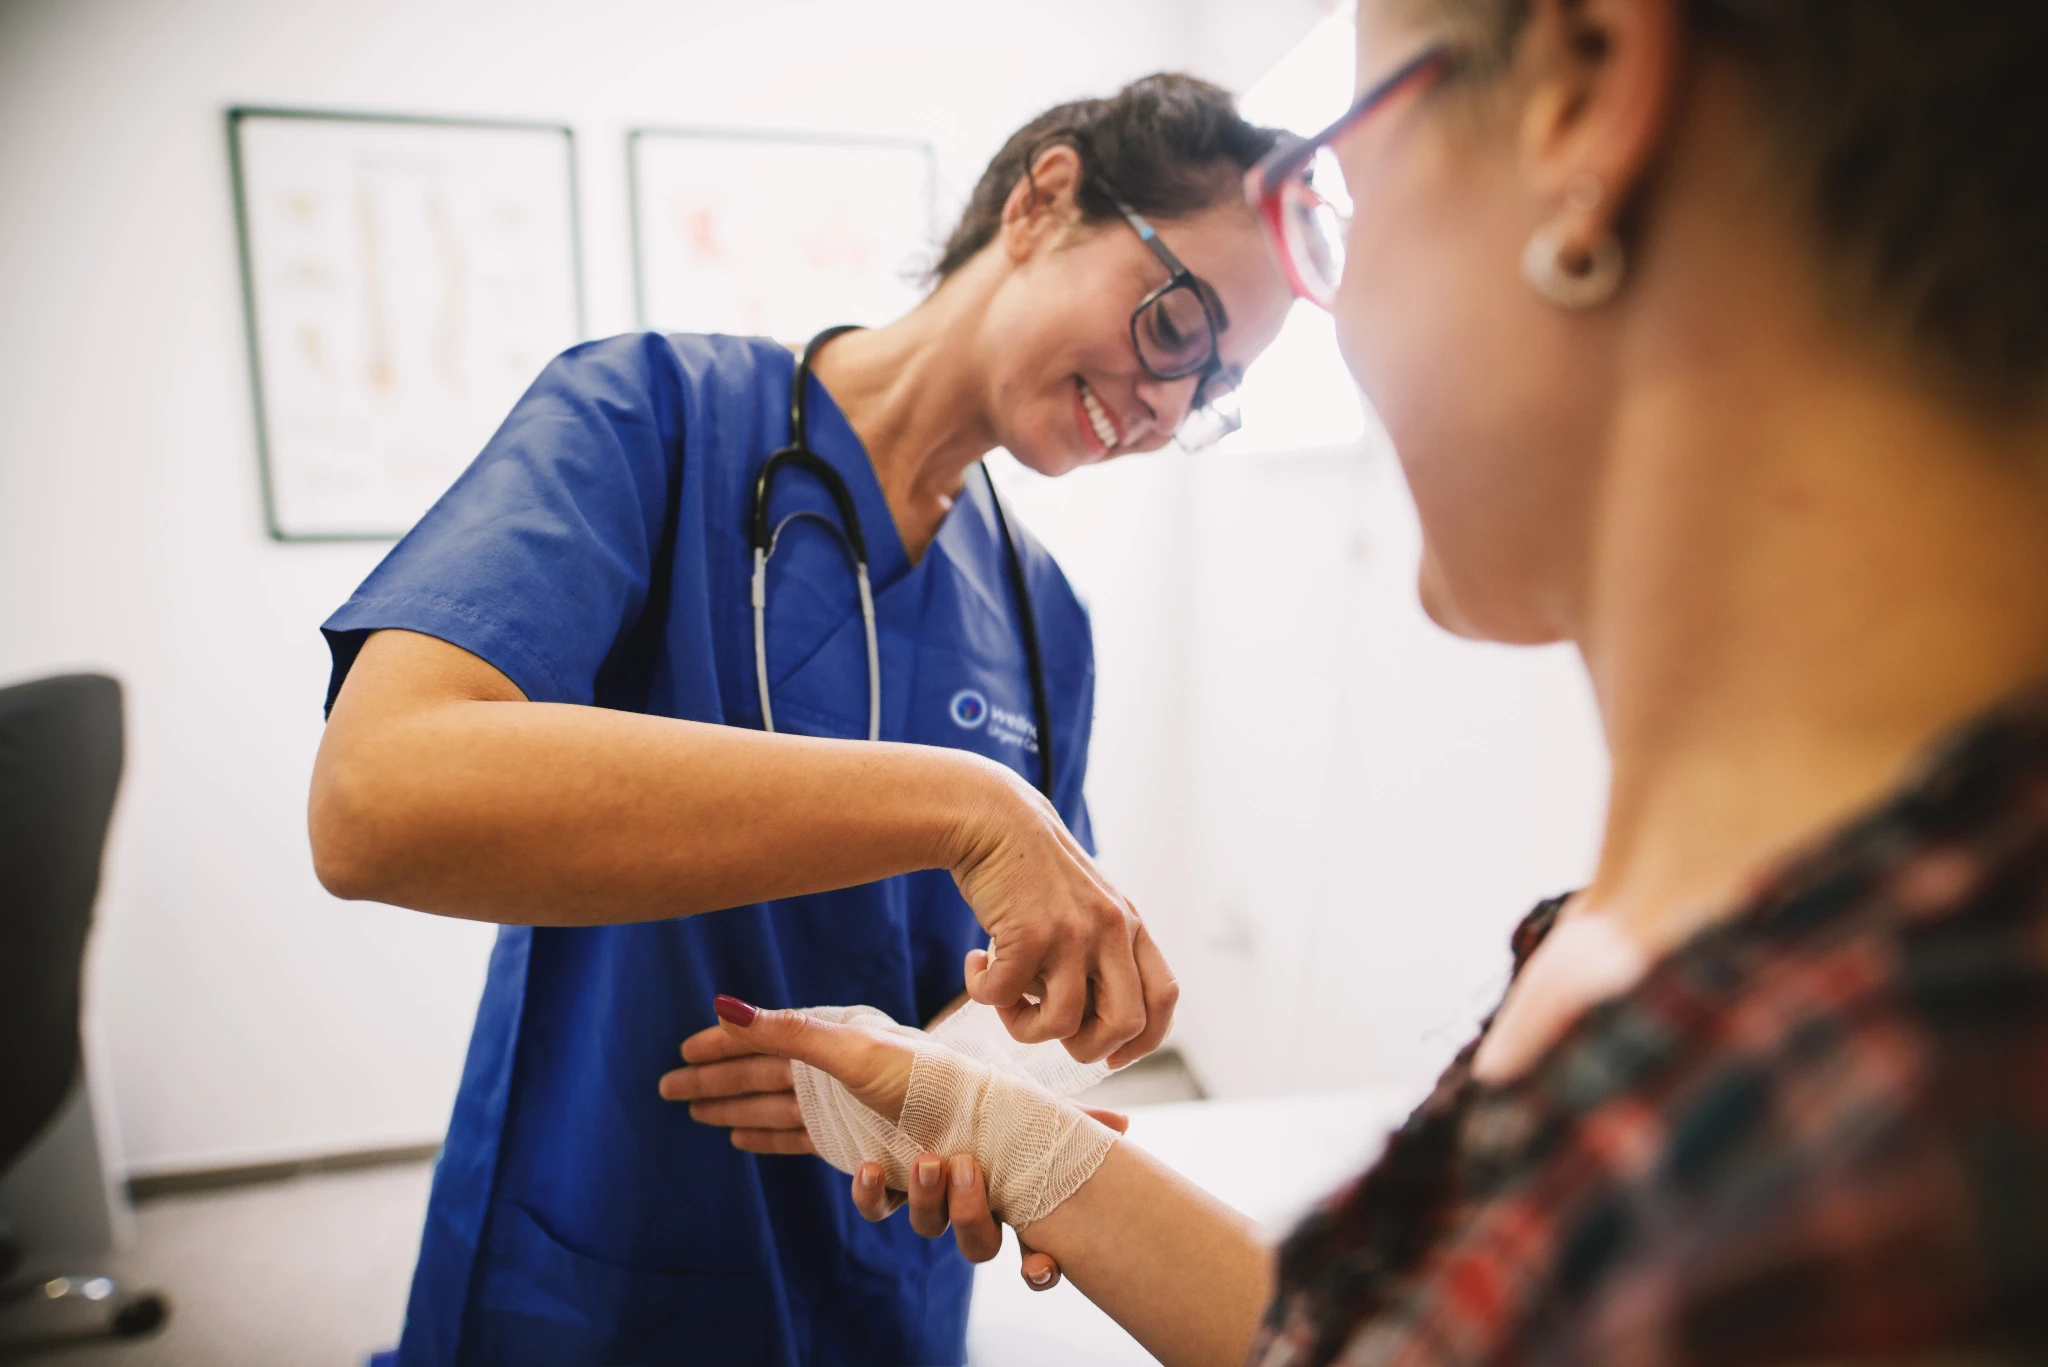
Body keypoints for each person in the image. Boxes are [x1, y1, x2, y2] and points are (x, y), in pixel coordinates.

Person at [681, 0, 2048, 1362]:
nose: (1176, 406)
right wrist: (1003, 1130)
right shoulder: (1715, 977)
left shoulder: (1861, 1146)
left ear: (1583, 91)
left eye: (1347, 193)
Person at [307, 75, 1295, 1366]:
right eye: (1181, 327)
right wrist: (966, 803)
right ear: (1045, 201)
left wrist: (945, 1090)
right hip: (603, 1256)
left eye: (1212, 390)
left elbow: (1006, 996)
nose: (1167, 409)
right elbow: (376, 800)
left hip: (887, 1277)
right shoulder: (649, 419)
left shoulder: (1046, 615)